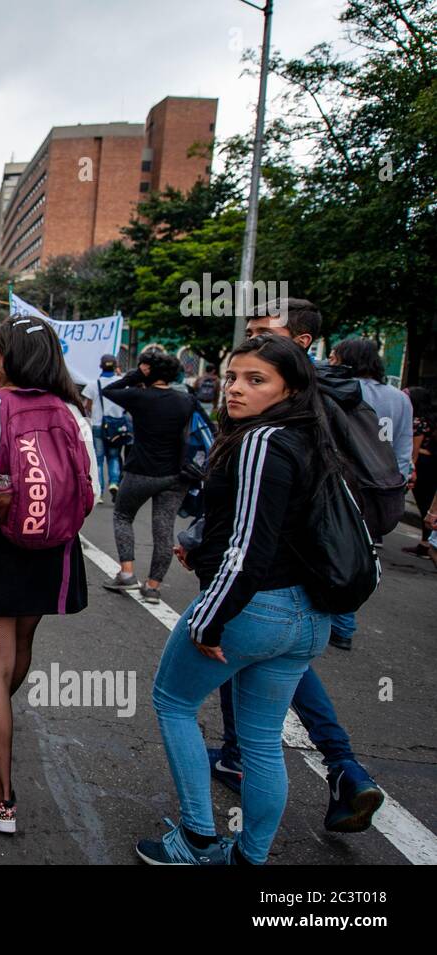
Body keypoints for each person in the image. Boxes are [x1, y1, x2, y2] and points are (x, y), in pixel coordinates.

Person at [138, 333, 337, 865]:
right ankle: (250, 856)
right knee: (263, 741)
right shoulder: (310, 437)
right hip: (308, 615)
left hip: (255, 609)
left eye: (255, 380)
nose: (235, 389)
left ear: (289, 388)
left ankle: (198, 836)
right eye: (231, 376)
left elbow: (249, 549)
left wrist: (208, 620)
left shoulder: (263, 441)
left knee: (173, 702)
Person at [210, 298, 385, 834]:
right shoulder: (352, 396)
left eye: (266, 333)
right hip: (328, 557)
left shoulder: (296, 406)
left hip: (281, 564)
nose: (254, 341)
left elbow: (265, 500)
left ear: (300, 345)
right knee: (284, 668)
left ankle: (235, 789)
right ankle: (342, 770)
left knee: (231, 659)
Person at [0, 316, 97, 834]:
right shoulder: (74, 415)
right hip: (52, 545)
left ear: (2, 359)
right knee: (24, 641)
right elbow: (90, 488)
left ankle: (3, 796)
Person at [325, 337, 411, 649]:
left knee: (338, 547)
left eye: (334, 356)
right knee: (362, 549)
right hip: (382, 486)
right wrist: (398, 481)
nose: (330, 361)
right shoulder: (399, 398)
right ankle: (343, 620)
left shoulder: (344, 391)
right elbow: (403, 446)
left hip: (346, 481)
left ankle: (340, 621)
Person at [101, 349, 194, 603]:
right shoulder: (185, 400)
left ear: (147, 370)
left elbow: (108, 390)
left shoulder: (139, 397)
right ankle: (153, 587)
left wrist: (133, 376)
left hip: (141, 469)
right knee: (164, 530)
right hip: (176, 474)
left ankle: (127, 573)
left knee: (122, 515)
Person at [81, 353, 129, 500]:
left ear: (100, 366)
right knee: (114, 456)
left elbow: (87, 406)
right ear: (116, 366)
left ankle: (99, 491)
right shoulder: (122, 383)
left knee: (99, 459)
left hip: (98, 425)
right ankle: (114, 483)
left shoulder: (93, 384)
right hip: (117, 426)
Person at [405, 386, 435, 560]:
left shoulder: (418, 421)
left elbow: (414, 451)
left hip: (424, 468)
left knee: (426, 506)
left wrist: (411, 470)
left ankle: (426, 543)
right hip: (432, 466)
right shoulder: (431, 420)